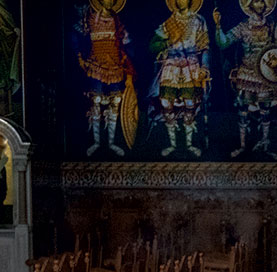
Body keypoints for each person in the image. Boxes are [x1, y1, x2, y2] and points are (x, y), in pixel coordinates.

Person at [213, 0, 277, 158]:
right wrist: (218, 26)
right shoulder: (243, 26)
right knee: (243, 110)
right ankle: (243, 146)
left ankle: (265, 144)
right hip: (246, 74)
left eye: (263, 1)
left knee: (265, 110)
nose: (261, 5)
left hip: (265, 75)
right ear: (250, 5)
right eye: (257, 1)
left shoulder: (272, 26)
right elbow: (223, 43)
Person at [74, 0, 135, 156]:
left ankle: (112, 143)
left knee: (115, 103)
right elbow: (76, 37)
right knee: (96, 102)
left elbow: (127, 45)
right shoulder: (89, 20)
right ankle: (96, 142)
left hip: (115, 68)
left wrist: (128, 66)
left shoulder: (118, 23)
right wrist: (80, 58)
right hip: (96, 67)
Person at [150, 0, 211, 157]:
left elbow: (205, 48)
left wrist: (205, 67)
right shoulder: (169, 22)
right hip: (170, 68)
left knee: (190, 105)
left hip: (191, 67)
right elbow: (153, 46)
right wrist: (167, 42)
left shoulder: (198, 20)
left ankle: (189, 144)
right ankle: (172, 145)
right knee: (166, 104)